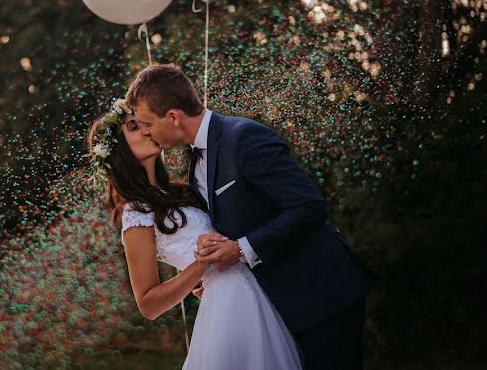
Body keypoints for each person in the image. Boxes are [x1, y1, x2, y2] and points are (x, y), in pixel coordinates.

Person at [125, 64, 377, 370]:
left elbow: (309, 206)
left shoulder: (243, 137)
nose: (147, 131)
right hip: (274, 304)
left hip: (318, 292)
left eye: (148, 123)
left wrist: (241, 249)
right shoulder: (194, 168)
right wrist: (207, 274)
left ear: (174, 117)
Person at [88, 98, 303, 370]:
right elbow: (148, 304)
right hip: (227, 309)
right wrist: (200, 265)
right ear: (119, 151)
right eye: (134, 126)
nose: (146, 129)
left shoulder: (181, 190)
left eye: (143, 123)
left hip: (258, 293)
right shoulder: (136, 214)